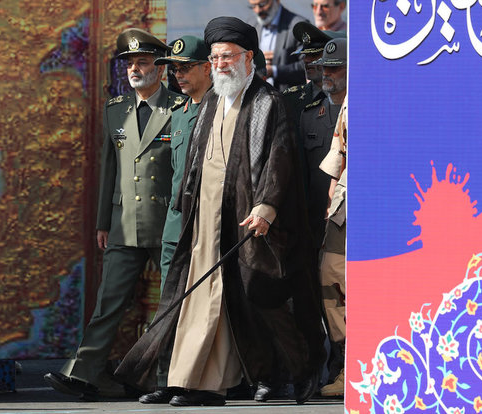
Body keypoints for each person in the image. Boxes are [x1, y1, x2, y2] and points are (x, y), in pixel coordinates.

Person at [116, 16, 325, 407]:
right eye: (215, 58)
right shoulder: (212, 100)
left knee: (258, 296)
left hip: (249, 218)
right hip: (204, 218)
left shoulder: (269, 102)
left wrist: (267, 206)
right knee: (195, 295)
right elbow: (195, 159)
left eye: (228, 56)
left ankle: (289, 373)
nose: (221, 64)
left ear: (248, 57)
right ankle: (191, 381)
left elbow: (279, 159)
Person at [44, 28, 184, 401]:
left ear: (160, 67)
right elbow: (109, 169)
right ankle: (84, 372)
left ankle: (167, 377)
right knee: (108, 304)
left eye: (142, 62)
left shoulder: (180, 107)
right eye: (130, 63)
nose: (134, 69)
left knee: (173, 304)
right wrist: (103, 222)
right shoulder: (116, 109)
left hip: (168, 220)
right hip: (124, 223)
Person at [137, 35, 213, 405]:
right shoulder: (179, 113)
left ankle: (199, 382)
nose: (178, 75)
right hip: (175, 224)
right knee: (170, 305)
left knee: (202, 306)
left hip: (207, 225)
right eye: (175, 69)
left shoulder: (220, 110)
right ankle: (167, 378)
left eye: (185, 68)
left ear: (207, 67)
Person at [298, 37, 347, 272]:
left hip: (348, 221)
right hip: (315, 222)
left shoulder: (366, 112)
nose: (327, 73)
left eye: (335, 68)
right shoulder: (309, 117)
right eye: (324, 67)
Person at [317, 95, 347, 397]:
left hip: (397, 191)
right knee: (331, 275)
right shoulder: (354, 98)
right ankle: (349, 363)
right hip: (349, 197)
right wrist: (333, 194)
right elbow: (340, 151)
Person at [246, 0, 309, 91]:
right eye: (253, 6)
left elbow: (308, 65)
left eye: (262, 5)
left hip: (288, 97)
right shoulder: (251, 24)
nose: (257, 10)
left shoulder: (298, 25)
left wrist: (274, 71)